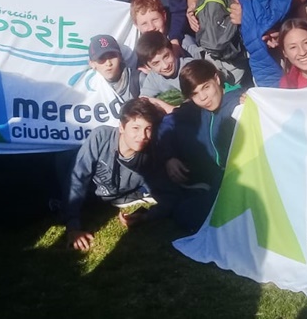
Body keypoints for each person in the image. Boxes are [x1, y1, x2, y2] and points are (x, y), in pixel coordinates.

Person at [64, 98, 164, 252]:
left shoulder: (150, 157)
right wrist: (73, 227)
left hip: (102, 199)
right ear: (121, 128)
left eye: (148, 128)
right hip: (62, 178)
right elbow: (77, 178)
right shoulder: (101, 137)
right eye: (136, 128)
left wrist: (146, 216)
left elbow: (167, 195)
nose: (142, 135)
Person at [156, 60, 242, 231]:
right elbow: (169, 121)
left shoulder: (238, 103)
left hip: (237, 180)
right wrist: (169, 157)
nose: (203, 98)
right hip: (213, 174)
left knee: (186, 215)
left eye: (206, 87)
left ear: (217, 79)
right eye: (195, 94)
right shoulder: (198, 107)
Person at [135, 30, 194, 109]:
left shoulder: (190, 67)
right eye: (156, 63)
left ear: (172, 50)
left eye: (166, 56)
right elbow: (143, 101)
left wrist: (162, 105)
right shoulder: (153, 78)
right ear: (148, 66)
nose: (165, 66)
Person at [89, 34, 141, 103]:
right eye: (101, 58)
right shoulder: (87, 90)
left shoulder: (139, 79)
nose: (108, 63)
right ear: (92, 64)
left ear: (120, 57)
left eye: (112, 56)